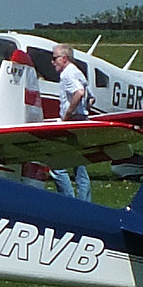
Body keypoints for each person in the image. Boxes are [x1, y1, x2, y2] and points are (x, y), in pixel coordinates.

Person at [49, 44, 92, 201]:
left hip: (72, 122)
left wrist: (68, 114)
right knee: (80, 166)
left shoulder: (67, 75)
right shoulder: (77, 72)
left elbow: (79, 92)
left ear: (64, 59)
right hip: (82, 120)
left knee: (57, 166)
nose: (52, 62)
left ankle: (68, 200)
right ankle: (84, 203)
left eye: (55, 58)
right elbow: (90, 97)